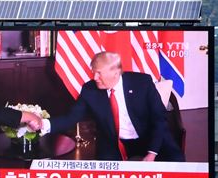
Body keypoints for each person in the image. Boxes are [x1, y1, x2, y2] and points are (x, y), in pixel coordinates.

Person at [42, 51, 184, 162]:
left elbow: (159, 119)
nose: (95, 78)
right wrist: (43, 124)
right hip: (114, 144)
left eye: (99, 73)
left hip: (150, 139)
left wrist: (152, 154)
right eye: (94, 72)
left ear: (116, 73)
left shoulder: (142, 83)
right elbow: (71, 118)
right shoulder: (89, 90)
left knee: (176, 166)